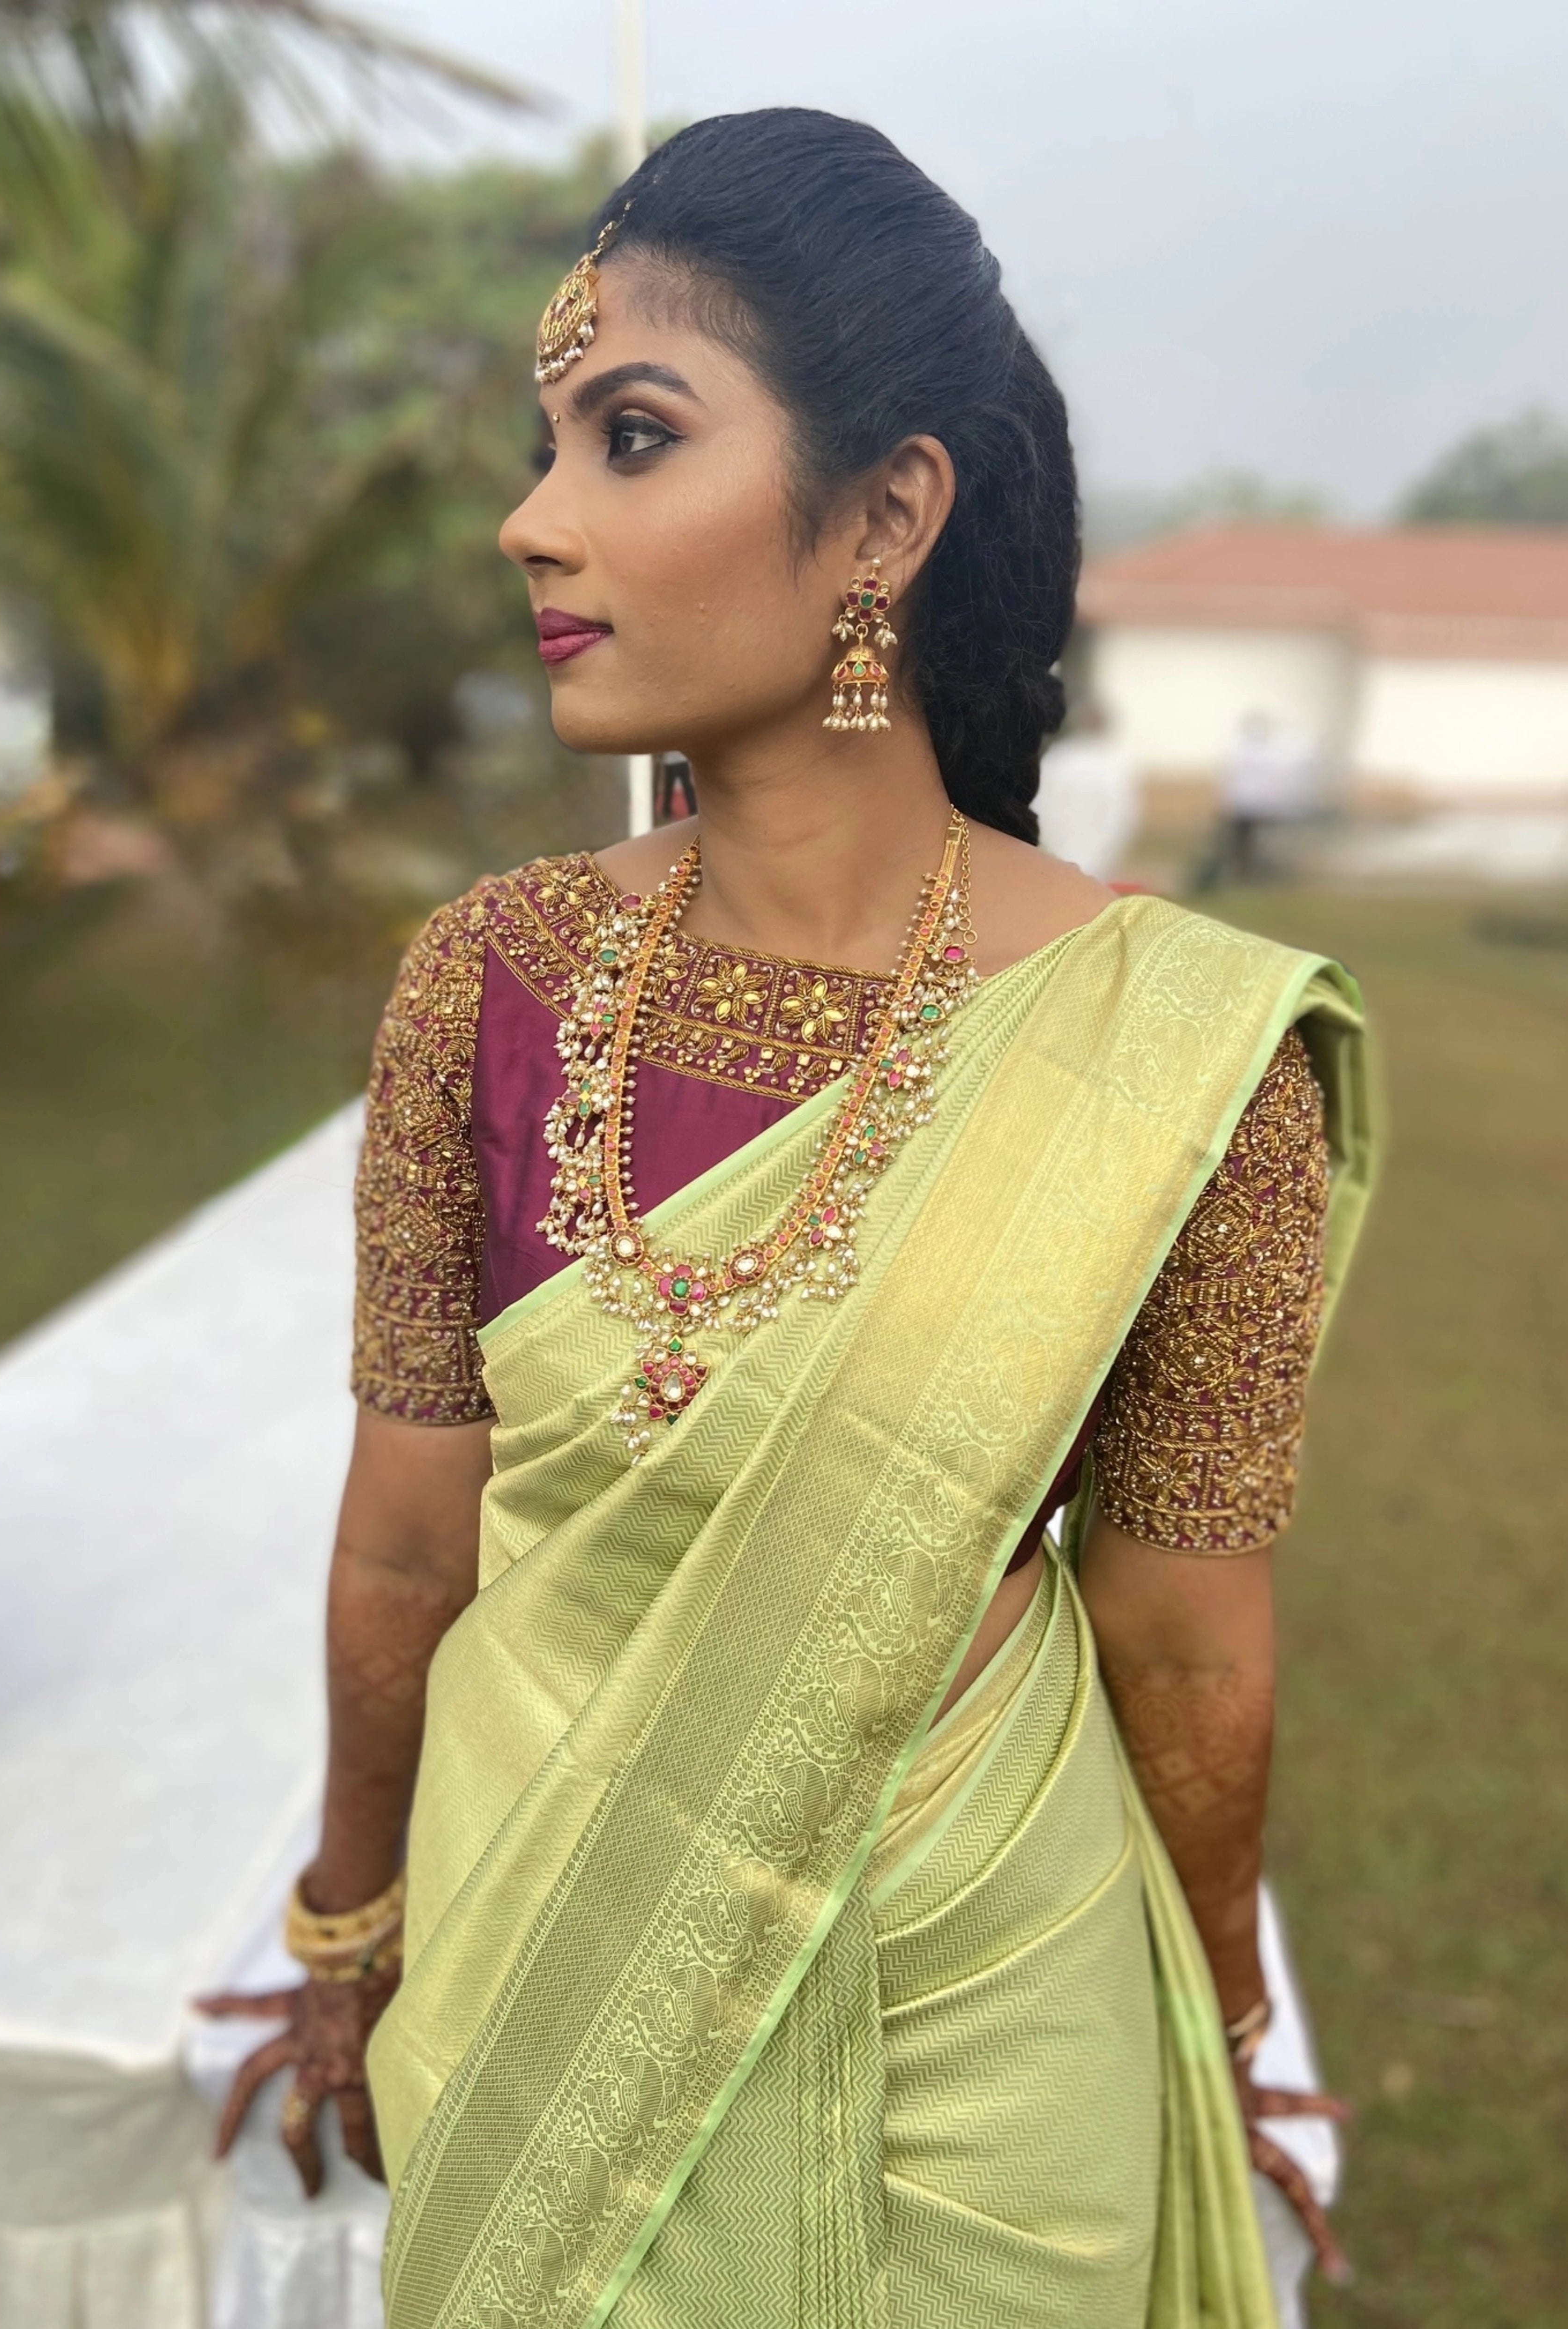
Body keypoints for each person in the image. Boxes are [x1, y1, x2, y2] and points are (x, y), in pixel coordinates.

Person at [198, 110, 1375, 2329]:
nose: (532, 523)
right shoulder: (495, 979)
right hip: (541, 1955)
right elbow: (402, 1548)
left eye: (631, 437)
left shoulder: (1176, 1058)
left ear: (888, 515)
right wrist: (356, 1927)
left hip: (983, 2055)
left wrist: (1199, 2031)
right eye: (549, 443)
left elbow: (1187, 1651)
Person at [1201, 709, 1323, 886]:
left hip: (1250, 805)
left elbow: (1233, 779)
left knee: (1245, 841)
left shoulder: (1244, 751)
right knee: (1244, 841)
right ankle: (1245, 869)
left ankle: (1247, 869)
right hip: (1253, 805)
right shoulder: (1259, 752)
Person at [1034, 696, 1141, 880]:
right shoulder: (1115, 763)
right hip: (1098, 854)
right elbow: (1125, 813)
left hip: (1061, 849)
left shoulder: (1059, 758)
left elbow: (1039, 803)